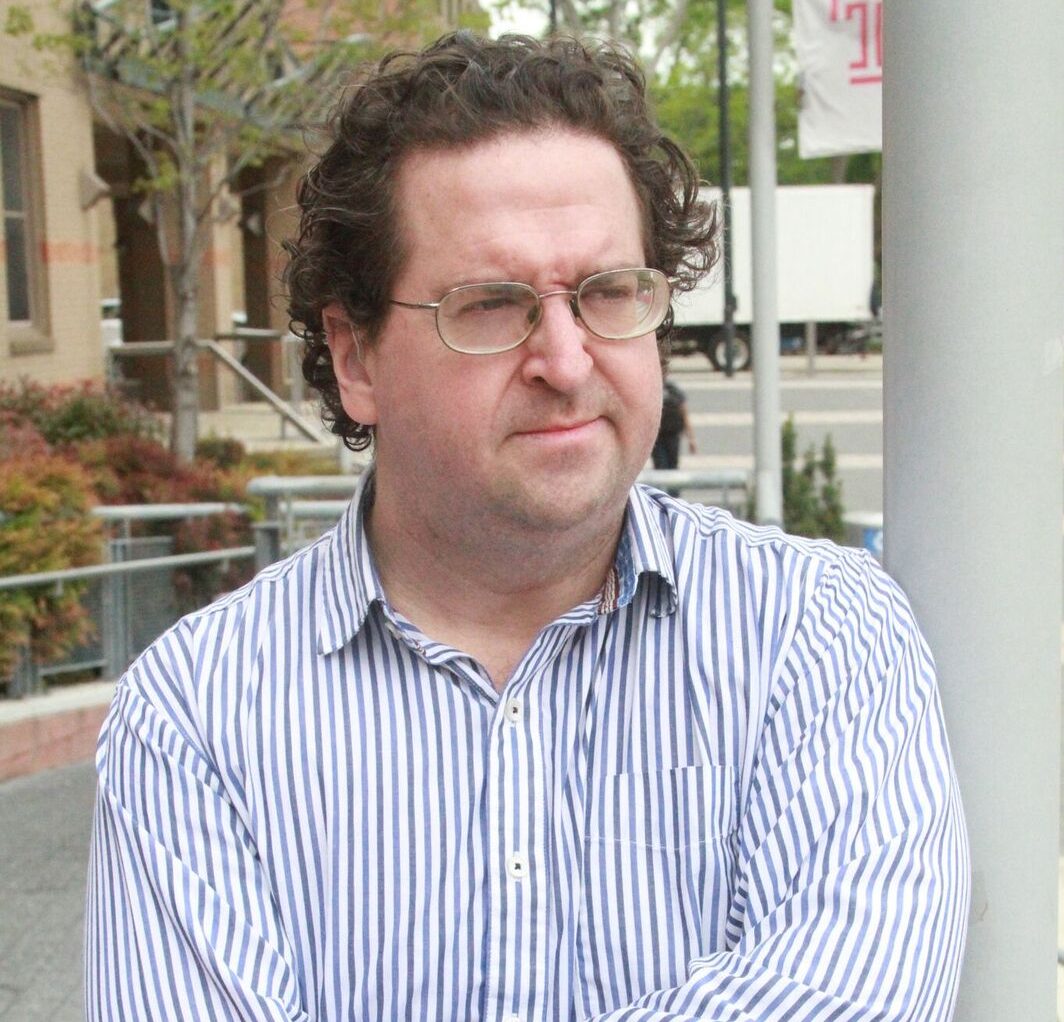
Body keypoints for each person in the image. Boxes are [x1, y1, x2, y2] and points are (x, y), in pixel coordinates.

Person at [85, 32, 970, 1022]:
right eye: (492, 305)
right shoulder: (197, 717)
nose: (566, 358)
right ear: (356, 357)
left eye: (609, 293)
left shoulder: (816, 635)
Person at [651, 374, 696, 470]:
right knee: (661, 465)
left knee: (672, 465)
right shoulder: (651, 390)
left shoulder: (673, 390)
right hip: (657, 436)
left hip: (672, 434)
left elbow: (684, 414)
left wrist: (691, 439)